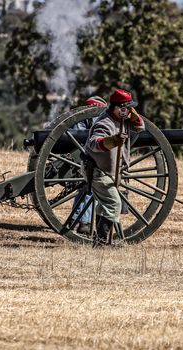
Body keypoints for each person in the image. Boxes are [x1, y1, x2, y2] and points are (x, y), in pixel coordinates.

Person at [84, 89, 145, 247]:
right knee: (113, 203)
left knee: (105, 205)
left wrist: (132, 114)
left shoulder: (122, 117)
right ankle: (102, 243)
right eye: (127, 108)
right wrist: (111, 141)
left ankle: (100, 242)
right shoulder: (105, 123)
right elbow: (93, 143)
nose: (130, 110)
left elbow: (140, 128)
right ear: (118, 108)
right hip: (98, 171)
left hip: (110, 169)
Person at [71, 96, 107, 235]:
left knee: (85, 188)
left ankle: (76, 219)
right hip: (88, 156)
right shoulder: (96, 119)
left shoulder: (79, 119)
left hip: (82, 154)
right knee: (89, 188)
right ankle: (84, 223)